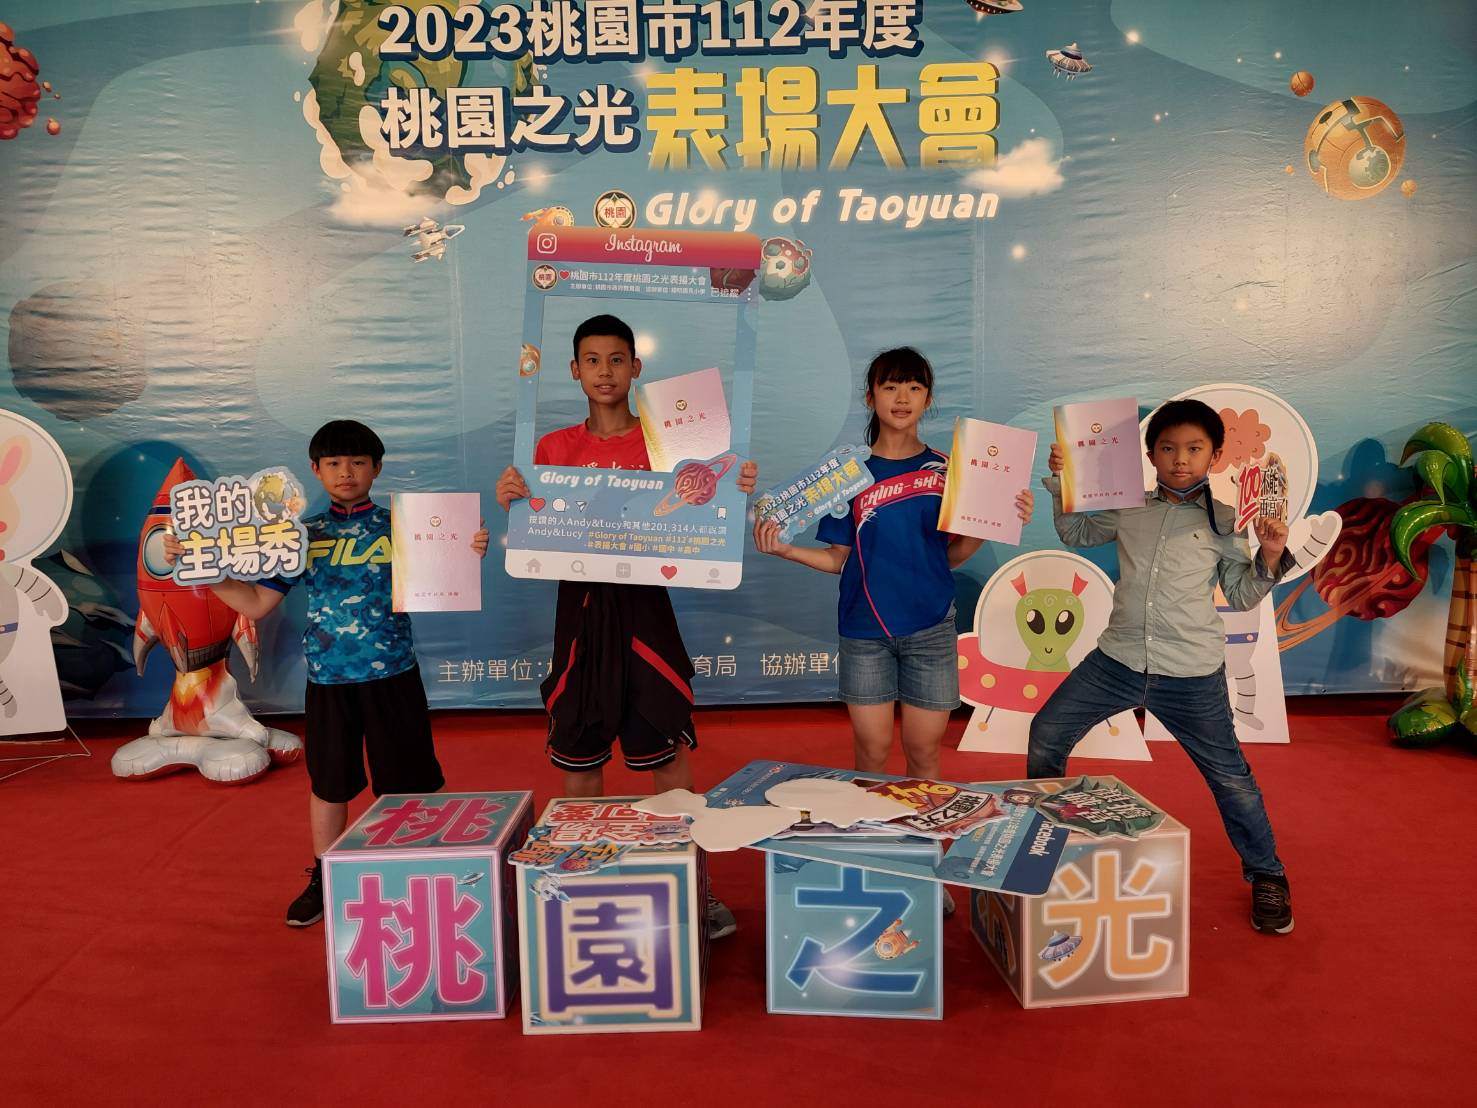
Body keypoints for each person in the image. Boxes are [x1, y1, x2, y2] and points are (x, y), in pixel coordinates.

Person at [164, 420, 489, 927]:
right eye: (334, 463)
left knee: (408, 782)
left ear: (377, 468)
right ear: (315, 470)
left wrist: (467, 549)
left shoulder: (403, 527)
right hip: (329, 682)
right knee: (330, 784)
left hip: (394, 676)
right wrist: (201, 567)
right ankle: (326, 875)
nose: (346, 472)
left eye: (358, 462)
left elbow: (447, 579)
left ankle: (416, 871)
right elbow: (256, 603)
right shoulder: (299, 536)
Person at [496, 314, 756, 939]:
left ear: (636, 368)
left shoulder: (668, 443)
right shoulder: (551, 449)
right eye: (592, 360)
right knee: (579, 748)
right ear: (574, 370)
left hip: (645, 610)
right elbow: (537, 529)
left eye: (617, 359)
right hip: (580, 611)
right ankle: (574, 884)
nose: (605, 371)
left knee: (666, 742)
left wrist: (734, 481)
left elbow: (707, 503)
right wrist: (515, 497)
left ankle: (695, 887)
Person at [1029, 397, 1297, 934]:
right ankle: (1043, 844)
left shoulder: (1227, 521)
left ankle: (1268, 873)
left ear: (1214, 457)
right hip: (1118, 660)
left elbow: (1242, 594)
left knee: (1231, 780)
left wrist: (1270, 554)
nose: (1181, 459)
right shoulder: (1128, 506)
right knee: (1046, 735)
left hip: (1191, 674)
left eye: (1194, 449)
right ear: (1150, 455)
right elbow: (1077, 533)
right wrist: (1063, 486)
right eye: (1168, 448)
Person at [753, 346, 1032, 779]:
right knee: (872, 751)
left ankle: (921, 825)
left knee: (923, 752)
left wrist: (997, 518)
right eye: (890, 387)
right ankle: (870, 824)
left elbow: (951, 555)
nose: (902, 398)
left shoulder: (949, 472)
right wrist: (785, 549)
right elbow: (837, 558)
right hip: (864, 630)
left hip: (930, 628)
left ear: (927, 398)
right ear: (871, 397)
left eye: (914, 387)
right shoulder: (849, 474)